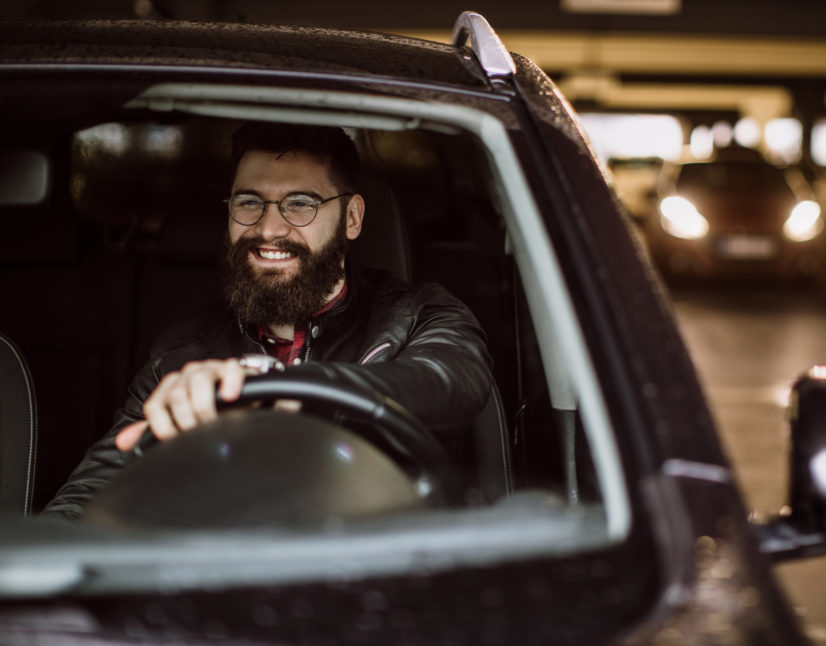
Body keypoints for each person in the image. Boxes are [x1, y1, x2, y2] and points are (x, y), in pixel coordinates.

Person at [43, 121, 493, 519]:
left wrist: (274, 383)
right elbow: (95, 486)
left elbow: (452, 383)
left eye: (300, 204)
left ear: (351, 218)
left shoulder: (420, 315)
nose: (269, 229)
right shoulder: (182, 353)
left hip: (383, 566)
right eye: (249, 202)